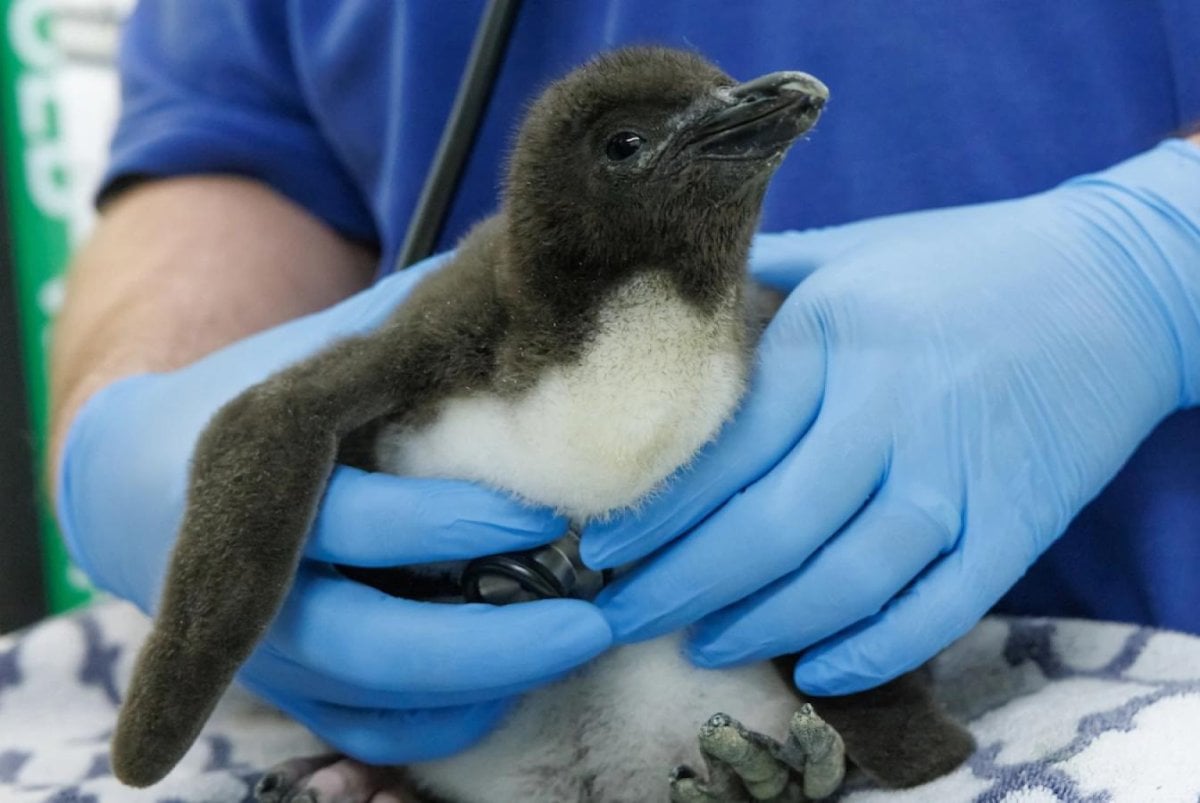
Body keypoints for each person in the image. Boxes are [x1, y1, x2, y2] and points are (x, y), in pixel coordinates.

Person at [50, 0, 1200, 767]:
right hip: (458, 718)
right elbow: (229, 146)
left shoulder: (740, 332)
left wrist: (1160, 254)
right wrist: (136, 435)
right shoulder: (469, 328)